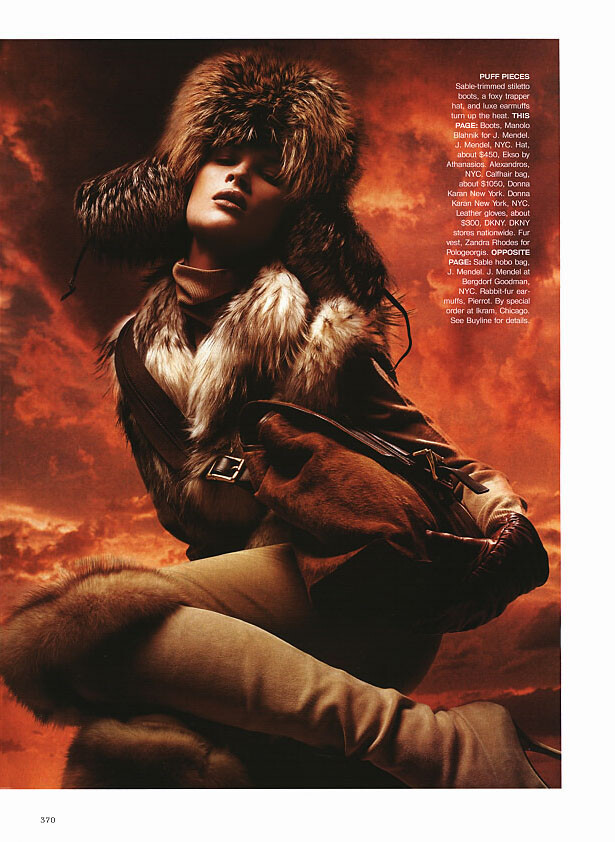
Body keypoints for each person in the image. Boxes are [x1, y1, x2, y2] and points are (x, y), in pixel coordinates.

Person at [0, 49, 554, 788]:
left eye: (268, 172)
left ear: (290, 210)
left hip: (361, 581)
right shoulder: (136, 351)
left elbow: (429, 453)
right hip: (259, 612)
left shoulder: (320, 324)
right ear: (185, 173)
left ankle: (443, 746)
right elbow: (188, 513)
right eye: (223, 157)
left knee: (67, 634)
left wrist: (504, 517)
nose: (238, 176)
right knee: (130, 752)